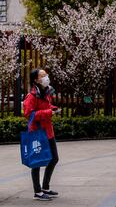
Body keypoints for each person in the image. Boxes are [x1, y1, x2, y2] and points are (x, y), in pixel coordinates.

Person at [23, 69, 61, 201]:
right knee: (37, 162)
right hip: (37, 132)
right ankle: (37, 192)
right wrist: (49, 112)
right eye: (43, 75)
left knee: (54, 158)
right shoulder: (32, 96)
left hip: (48, 131)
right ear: (35, 80)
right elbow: (30, 114)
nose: (46, 77)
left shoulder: (46, 92)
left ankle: (45, 187)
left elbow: (46, 106)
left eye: (46, 75)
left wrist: (53, 108)